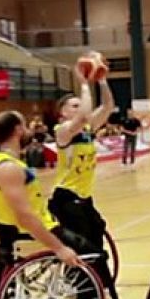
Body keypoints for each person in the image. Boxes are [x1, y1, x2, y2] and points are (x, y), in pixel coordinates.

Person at [0, 110, 121, 299]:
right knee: (92, 255)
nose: (31, 130)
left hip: (39, 224)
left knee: (89, 247)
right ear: (17, 130)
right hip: (26, 232)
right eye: (26, 125)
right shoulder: (9, 168)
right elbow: (25, 217)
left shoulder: (10, 162)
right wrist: (59, 248)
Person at [49, 63, 114, 250]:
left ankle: (97, 278)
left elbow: (108, 106)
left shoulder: (87, 129)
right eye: (74, 106)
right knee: (84, 247)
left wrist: (101, 80)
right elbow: (85, 115)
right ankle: (80, 278)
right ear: (63, 112)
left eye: (80, 105)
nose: (80, 108)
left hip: (84, 196)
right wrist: (84, 84)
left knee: (97, 232)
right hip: (66, 197)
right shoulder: (62, 131)